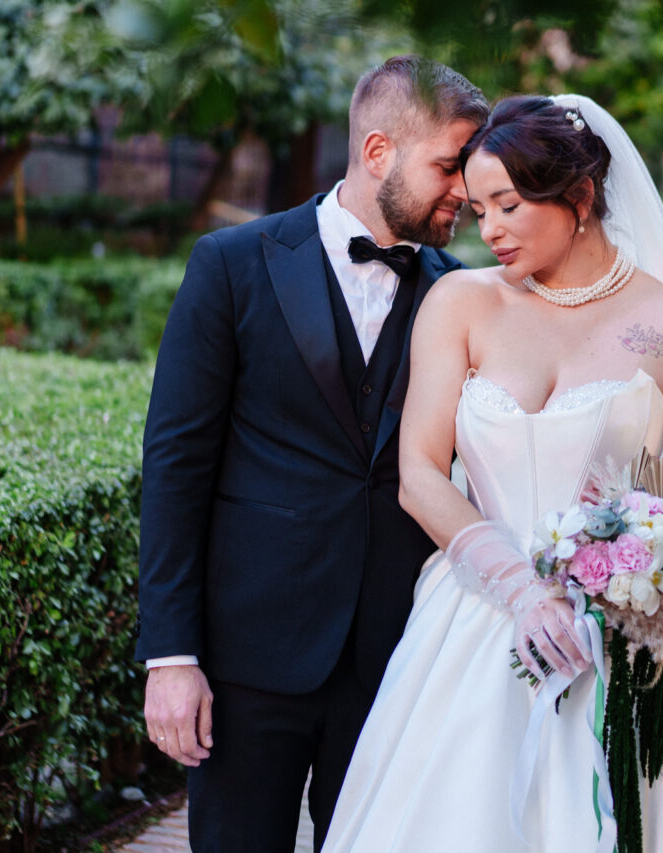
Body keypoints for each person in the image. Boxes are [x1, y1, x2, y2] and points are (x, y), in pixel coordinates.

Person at [321, 95, 663, 853]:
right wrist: (522, 589)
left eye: (508, 204)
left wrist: (644, 577)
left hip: (632, 636)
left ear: (581, 198)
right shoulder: (459, 303)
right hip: (477, 617)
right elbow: (420, 474)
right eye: (477, 208)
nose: (488, 229)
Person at [133, 56, 488, 851]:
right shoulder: (230, 264)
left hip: (392, 657)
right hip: (248, 658)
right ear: (376, 152)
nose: (466, 188)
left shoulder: (459, 291)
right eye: (449, 165)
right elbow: (176, 467)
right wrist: (171, 655)